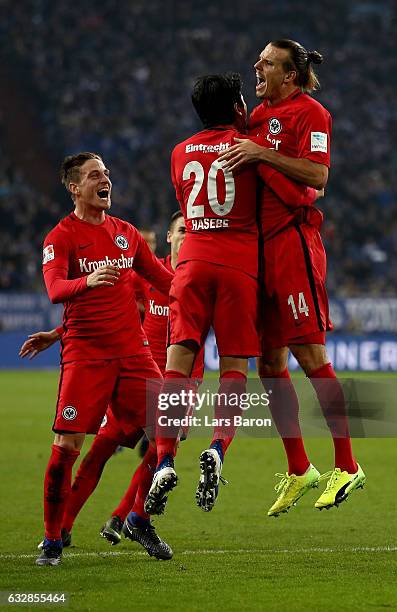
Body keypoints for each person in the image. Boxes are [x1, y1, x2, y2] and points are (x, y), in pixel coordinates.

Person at [145, 73, 321, 516]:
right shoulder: (247, 149)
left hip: (191, 264)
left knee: (178, 362)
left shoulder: (178, 152)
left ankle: (164, 458)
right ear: (238, 106)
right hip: (239, 268)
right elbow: (290, 190)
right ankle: (219, 447)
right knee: (235, 367)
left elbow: (188, 203)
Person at [219, 39, 365, 516]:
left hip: (291, 244)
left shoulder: (311, 114)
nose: (257, 66)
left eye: (268, 63)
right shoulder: (255, 116)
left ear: (291, 75)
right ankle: (301, 468)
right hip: (254, 250)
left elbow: (317, 176)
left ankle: (348, 464)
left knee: (310, 354)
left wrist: (261, 153)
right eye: (258, 60)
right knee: (269, 364)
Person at [21, 212, 203, 558]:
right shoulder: (140, 272)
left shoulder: (197, 280)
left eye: (193, 231)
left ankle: (133, 517)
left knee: (165, 440)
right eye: (182, 230)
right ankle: (60, 530)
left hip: (163, 372)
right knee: (87, 450)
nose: (187, 236)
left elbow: (203, 326)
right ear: (169, 235)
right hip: (113, 363)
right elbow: (101, 302)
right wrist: (60, 333)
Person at [35, 151, 173, 566]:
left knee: (169, 430)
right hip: (87, 357)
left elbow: (164, 281)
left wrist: (211, 289)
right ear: (76, 187)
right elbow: (56, 289)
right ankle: (52, 539)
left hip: (133, 355)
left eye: (107, 172)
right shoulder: (61, 237)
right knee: (66, 449)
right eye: (95, 175)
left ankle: (136, 517)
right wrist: (87, 280)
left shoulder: (126, 234)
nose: (104, 179)